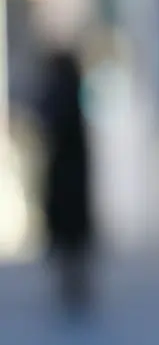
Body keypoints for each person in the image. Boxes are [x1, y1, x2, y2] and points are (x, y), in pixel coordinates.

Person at [37, 48, 95, 321]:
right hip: (70, 177)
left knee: (70, 236)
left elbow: (48, 121)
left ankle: (73, 285)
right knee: (72, 238)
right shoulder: (72, 94)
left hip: (66, 177)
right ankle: (73, 285)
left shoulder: (63, 94)